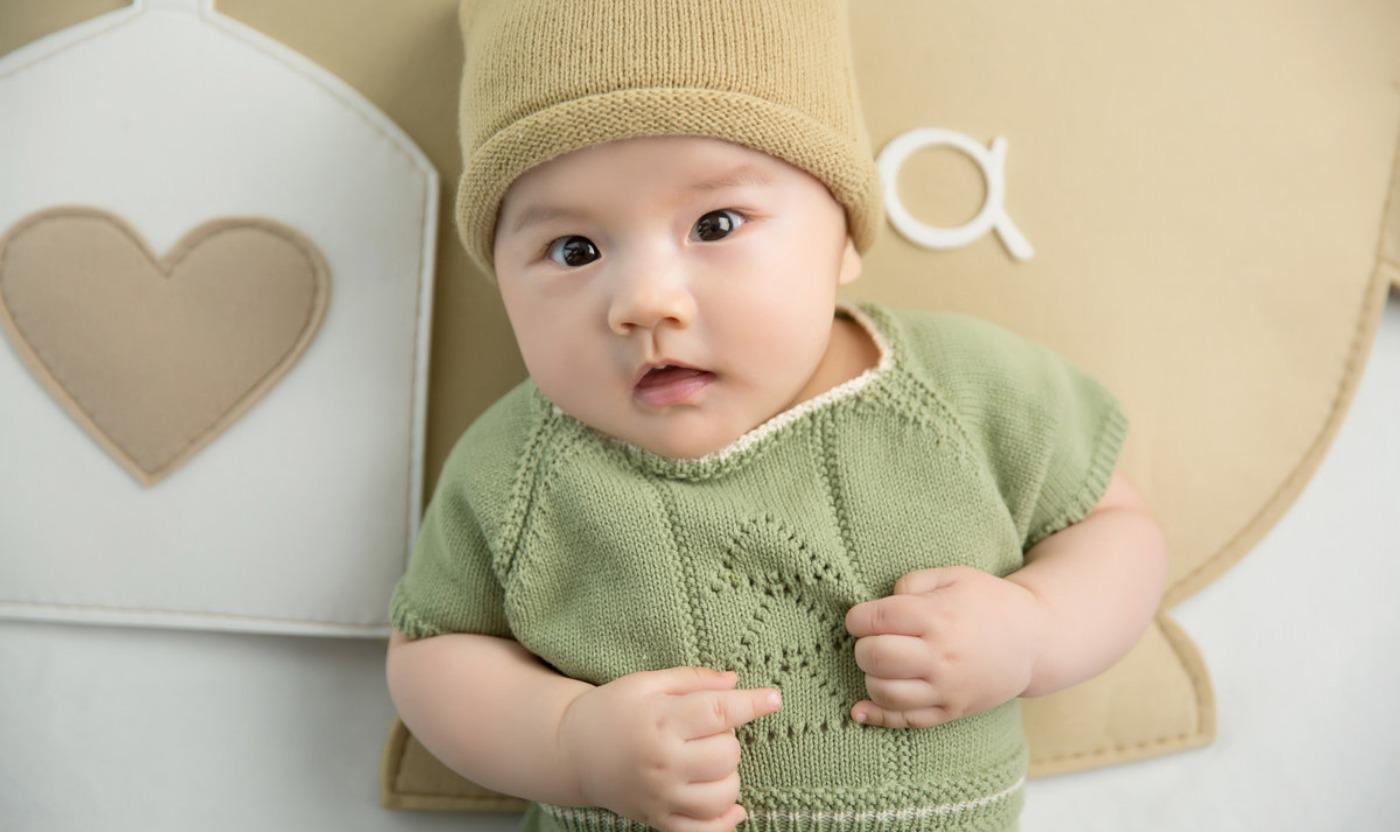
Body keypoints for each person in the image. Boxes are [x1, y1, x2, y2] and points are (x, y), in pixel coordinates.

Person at [385, 2, 1170, 832]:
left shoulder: (968, 390)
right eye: (573, 250)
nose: (644, 301)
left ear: (843, 238)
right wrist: (571, 742)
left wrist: (1035, 630)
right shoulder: (519, 467)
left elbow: (1115, 528)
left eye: (716, 225)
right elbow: (433, 651)